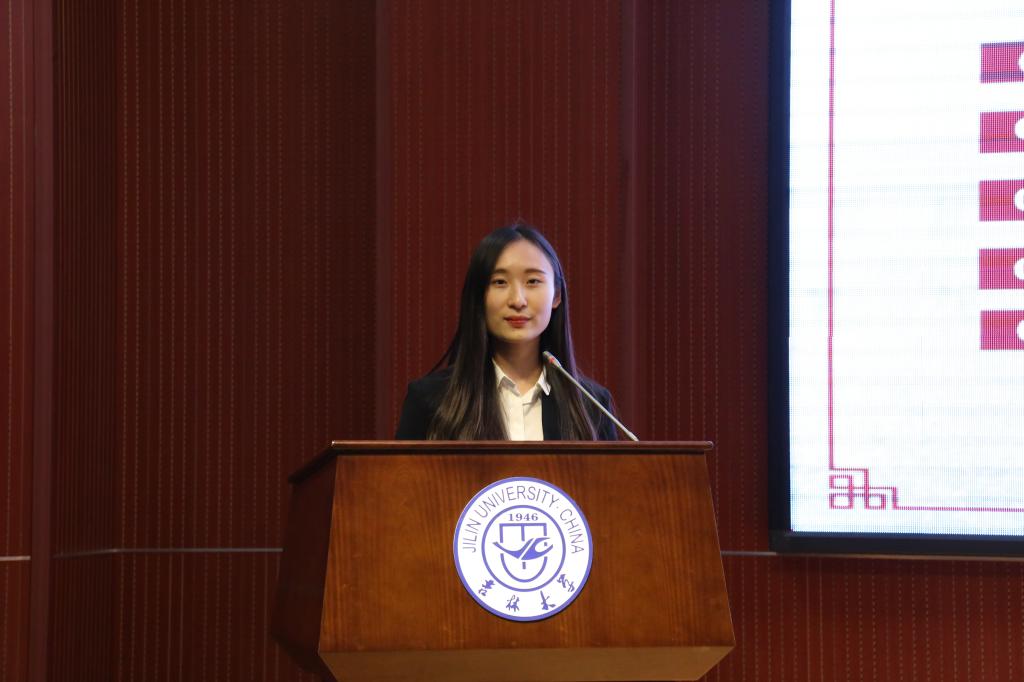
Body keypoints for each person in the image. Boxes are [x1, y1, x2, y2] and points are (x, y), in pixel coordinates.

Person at [395, 223, 621, 440]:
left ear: (557, 295)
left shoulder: (593, 408)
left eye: (532, 281)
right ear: (478, 296)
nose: (517, 300)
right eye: (500, 282)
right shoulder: (430, 401)